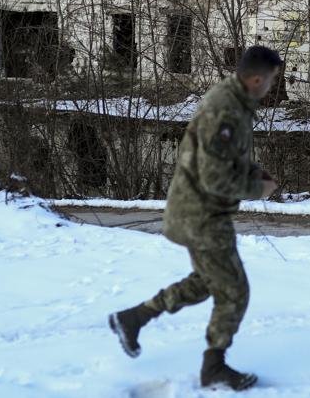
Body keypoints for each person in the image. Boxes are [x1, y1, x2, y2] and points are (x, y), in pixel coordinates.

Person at [108, 45, 283, 391]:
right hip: (201, 215)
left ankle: (133, 318)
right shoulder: (226, 112)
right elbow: (213, 178)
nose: (273, 87)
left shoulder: (236, 101)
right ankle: (214, 368)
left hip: (198, 211)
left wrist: (252, 170)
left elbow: (223, 159)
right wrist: (255, 188)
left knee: (207, 281)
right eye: (273, 80)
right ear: (258, 78)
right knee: (234, 291)